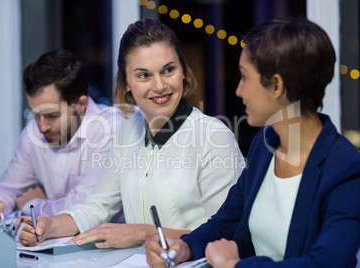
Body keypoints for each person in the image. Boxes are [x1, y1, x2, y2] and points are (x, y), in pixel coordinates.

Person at [145, 17, 360, 267]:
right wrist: (184, 247)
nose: (238, 90)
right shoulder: (266, 144)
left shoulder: (346, 168)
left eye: (245, 77)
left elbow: (326, 263)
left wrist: (233, 265)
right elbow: (225, 223)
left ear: (277, 85)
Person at [18, 18, 245, 249]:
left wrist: (143, 234)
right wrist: (47, 226)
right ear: (126, 83)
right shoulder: (128, 129)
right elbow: (98, 206)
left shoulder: (214, 137)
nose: (159, 86)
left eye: (168, 70)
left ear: (183, 72)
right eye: (144, 75)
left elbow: (227, 233)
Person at [0, 49, 124, 225]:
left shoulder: (111, 129)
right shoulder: (33, 133)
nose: (42, 127)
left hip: (113, 249)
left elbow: (86, 207)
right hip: (55, 246)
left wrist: (32, 204)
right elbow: (7, 188)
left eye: (52, 115)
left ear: (81, 105)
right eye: (35, 114)